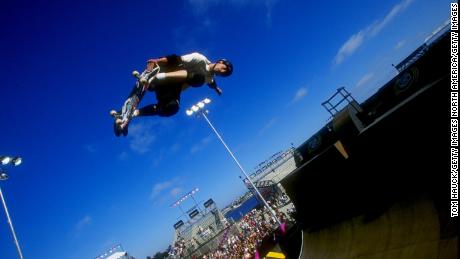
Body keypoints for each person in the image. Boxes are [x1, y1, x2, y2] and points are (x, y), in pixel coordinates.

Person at [111, 52, 233, 128]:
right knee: (197, 78)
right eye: (223, 69)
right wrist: (157, 61)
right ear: (220, 62)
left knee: (172, 108)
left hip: (171, 89)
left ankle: (133, 114)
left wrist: (216, 88)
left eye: (224, 74)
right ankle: (155, 78)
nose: (222, 72)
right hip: (166, 70)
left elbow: (212, 83)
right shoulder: (199, 58)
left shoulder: (210, 78)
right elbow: (176, 59)